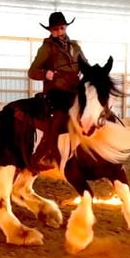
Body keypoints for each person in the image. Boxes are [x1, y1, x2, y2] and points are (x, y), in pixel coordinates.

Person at [27, 11, 89, 170]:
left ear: (66, 27)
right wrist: (45, 74)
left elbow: (85, 65)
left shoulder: (75, 47)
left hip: (74, 90)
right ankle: (47, 153)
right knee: (59, 117)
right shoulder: (47, 48)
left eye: (61, 28)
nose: (59, 32)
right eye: (55, 30)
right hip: (56, 92)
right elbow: (32, 71)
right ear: (50, 31)